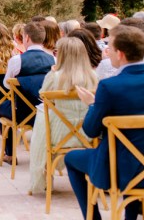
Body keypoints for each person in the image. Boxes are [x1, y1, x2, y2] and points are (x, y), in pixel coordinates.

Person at [64, 25, 144, 220]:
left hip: (119, 171)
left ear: (120, 54)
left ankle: (92, 218)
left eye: (109, 47)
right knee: (132, 147)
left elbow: (91, 130)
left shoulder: (110, 86)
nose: (107, 52)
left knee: (71, 158)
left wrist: (92, 105)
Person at [29, 37, 96, 194]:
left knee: (41, 118)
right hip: (86, 134)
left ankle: (44, 177)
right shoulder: (94, 76)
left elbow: (43, 97)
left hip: (58, 136)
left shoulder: (54, 76)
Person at [0, 22, 55, 165]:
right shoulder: (53, 60)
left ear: (27, 38)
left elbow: (7, 84)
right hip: (45, 112)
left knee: (2, 109)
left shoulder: (17, 60)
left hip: (21, 112)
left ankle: (10, 154)